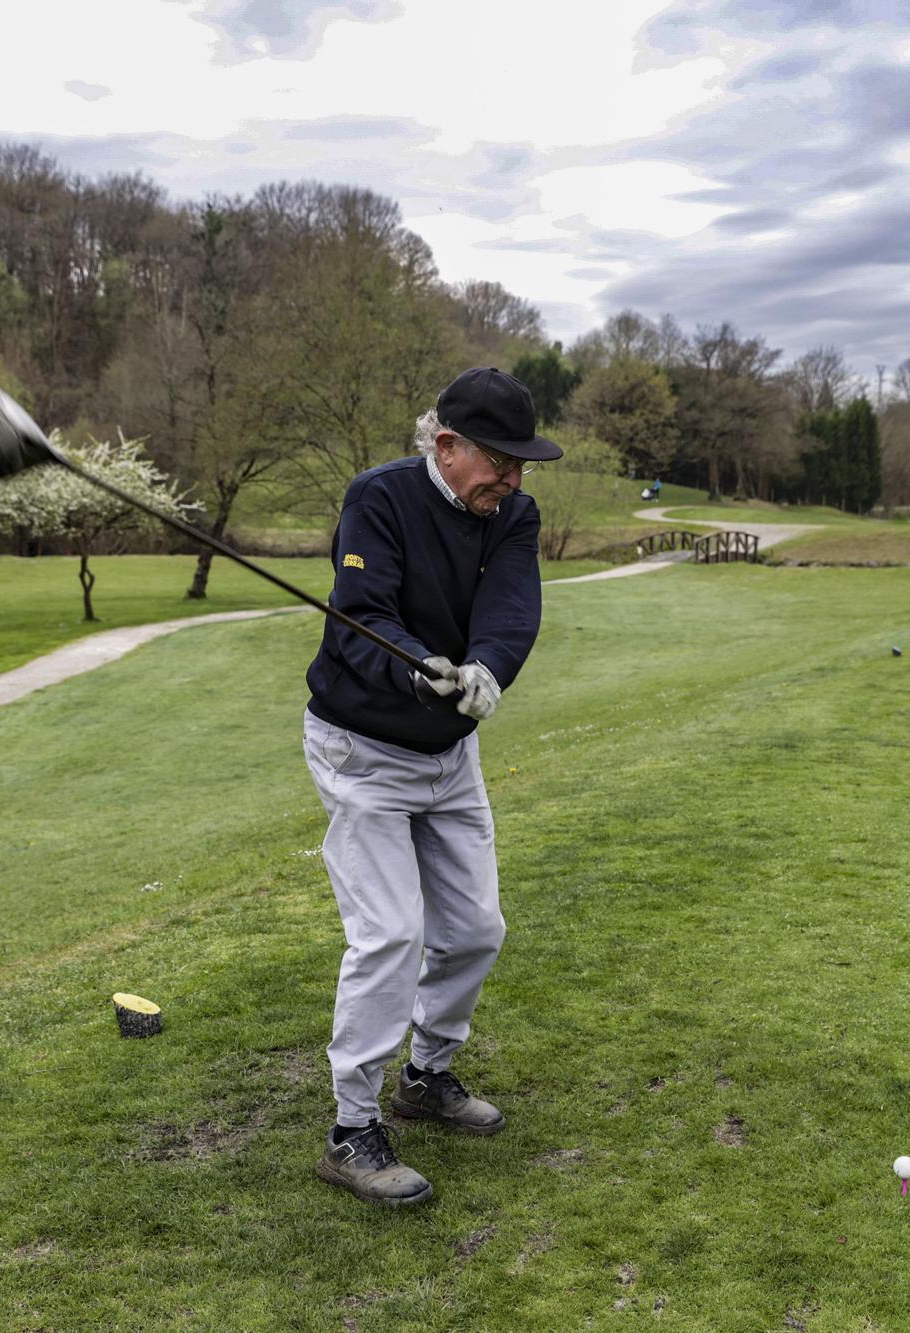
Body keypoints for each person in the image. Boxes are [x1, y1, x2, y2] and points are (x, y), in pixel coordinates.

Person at [302, 366, 562, 1205]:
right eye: (499, 460)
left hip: (450, 758)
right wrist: (421, 672)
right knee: (389, 932)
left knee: (477, 927)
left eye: (522, 463)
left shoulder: (512, 514)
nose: (513, 479)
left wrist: (486, 668)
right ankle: (351, 1130)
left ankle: (426, 1074)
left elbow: (513, 606)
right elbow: (362, 616)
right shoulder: (377, 499)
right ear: (445, 446)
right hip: (363, 751)